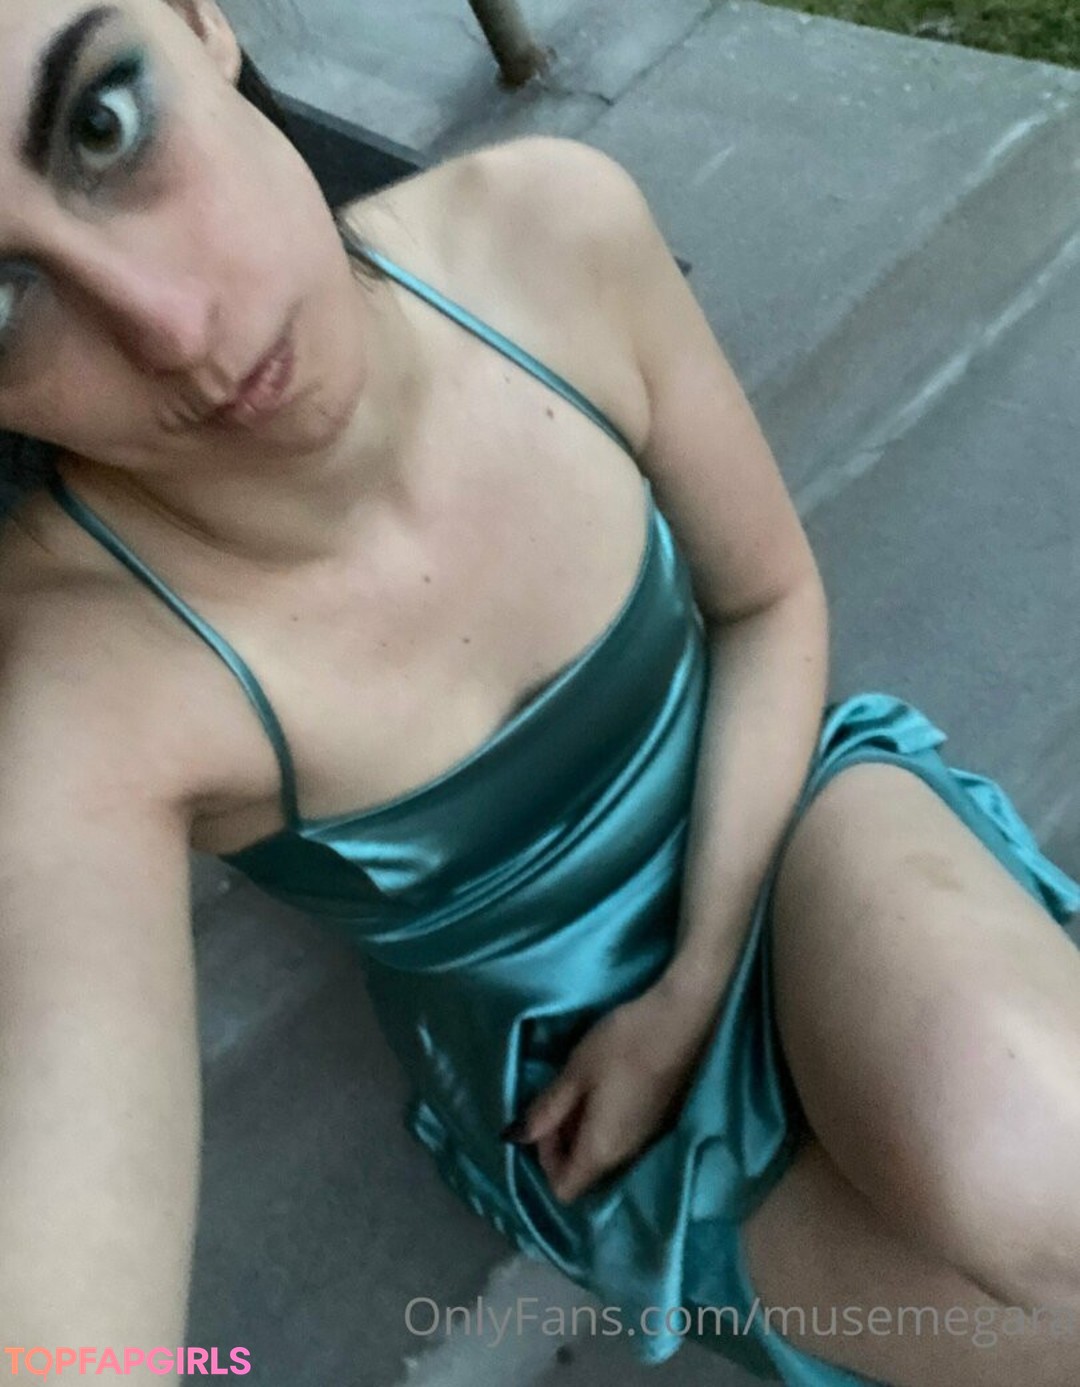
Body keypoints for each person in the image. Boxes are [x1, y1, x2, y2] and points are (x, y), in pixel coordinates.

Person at [0, 3, 1077, 1384]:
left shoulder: (547, 238)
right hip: (569, 1078)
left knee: (1029, 1154)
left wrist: (691, 992)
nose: (171, 326)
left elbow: (766, 602)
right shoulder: (81, 680)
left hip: (785, 808)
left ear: (200, 19)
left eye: (103, 123)